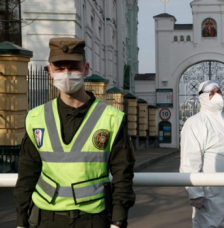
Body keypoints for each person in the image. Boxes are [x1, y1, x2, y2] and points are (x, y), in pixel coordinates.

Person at [14, 37, 136, 228]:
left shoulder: (112, 118)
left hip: (93, 218)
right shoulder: (35, 117)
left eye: (73, 67)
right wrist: (21, 219)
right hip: (46, 219)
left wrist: (118, 221)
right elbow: (27, 173)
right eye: (60, 68)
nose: (66, 73)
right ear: (51, 71)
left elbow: (123, 174)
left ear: (86, 69)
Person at [180, 80, 224, 228]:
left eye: (219, 92)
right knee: (212, 223)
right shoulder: (195, 122)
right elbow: (189, 161)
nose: (217, 96)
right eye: (212, 93)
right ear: (203, 97)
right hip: (212, 190)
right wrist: (195, 192)